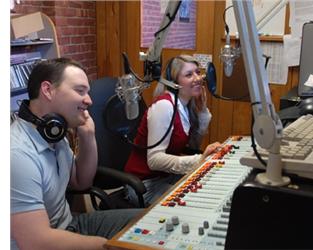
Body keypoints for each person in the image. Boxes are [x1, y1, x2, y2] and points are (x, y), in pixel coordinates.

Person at [11, 58, 141, 250]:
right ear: (47, 90)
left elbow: (82, 182)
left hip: (70, 226)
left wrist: (88, 136)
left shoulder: (54, 132)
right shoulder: (17, 155)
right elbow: (35, 243)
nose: (89, 100)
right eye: (80, 91)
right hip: (45, 242)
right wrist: (107, 245)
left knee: (153, 222)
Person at [124, 55, 222, 207]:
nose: (198, 78)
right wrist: (199, 159)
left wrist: (202, 111)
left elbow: (192, 147)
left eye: (197, 72)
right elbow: (154, 160)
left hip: (167, 177)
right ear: (174, 83)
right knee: (195, 204)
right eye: (189, 74)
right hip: (144, 184)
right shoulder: (164, 106)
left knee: (210, 188)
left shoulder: (185, 106)